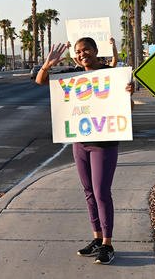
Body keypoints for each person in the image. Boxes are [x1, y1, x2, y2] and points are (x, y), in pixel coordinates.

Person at [35, 37, 134, 265]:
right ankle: (97, 239)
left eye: (86, 49)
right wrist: (47, 65)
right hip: (80, 142)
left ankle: (108, 244)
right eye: (78, 51)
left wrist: (127, 93)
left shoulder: (112, 74)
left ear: (96, 50)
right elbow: (41, 82)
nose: (82, 54)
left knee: (101, 193)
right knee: (88, 192)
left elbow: (126, 108)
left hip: (104, 143)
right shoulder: (72, 75)